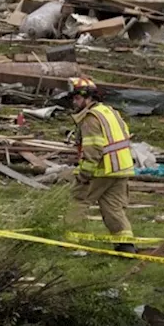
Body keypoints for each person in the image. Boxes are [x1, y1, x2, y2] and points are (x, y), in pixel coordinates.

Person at [68, 77, 135, 252]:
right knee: (113, 209)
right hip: (121, 170)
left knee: (78, 201)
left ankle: (73, 244)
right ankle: (126, 247)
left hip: (101, 170)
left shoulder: (91, 118)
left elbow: (93, 148)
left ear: (87, 98)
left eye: (77, 98)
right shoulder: (110, 112)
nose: (74, 102)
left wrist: (84, 175)